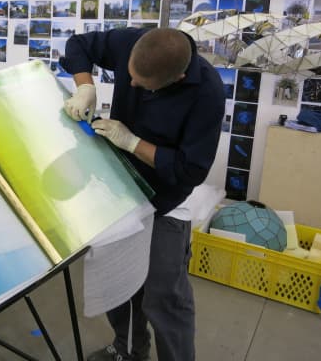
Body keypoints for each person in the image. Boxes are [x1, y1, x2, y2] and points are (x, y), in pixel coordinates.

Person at [61, 27, 225, 361]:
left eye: (141, 84)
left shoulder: (207, 93)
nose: (131, 85)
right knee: (118, 282)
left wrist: (134, 143)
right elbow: (78, 44)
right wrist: (86, 86)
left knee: (163, 296)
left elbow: (190, 169)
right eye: (129, 76)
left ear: (177, 77)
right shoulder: (133, 42)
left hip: (167, 199)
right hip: (119, 186)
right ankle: (129, 351)